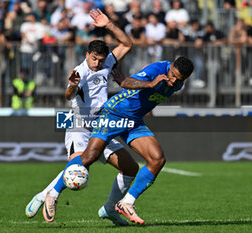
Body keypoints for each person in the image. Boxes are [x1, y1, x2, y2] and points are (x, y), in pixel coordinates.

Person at [26, 9, 139, 226]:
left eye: (100, 59)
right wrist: (73, 86)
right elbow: (68, 95)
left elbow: (127, 44)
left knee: (131, 168)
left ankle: (109, 209)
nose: (97, 63)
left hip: (103, 125)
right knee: (80, 164)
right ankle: (51, 195)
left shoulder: (106, 63)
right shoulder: (80, 72)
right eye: (94, 58)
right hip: (80, 124)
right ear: (86, 54)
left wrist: (109, 25)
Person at [53, 56, 194, 224]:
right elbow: (128, 83)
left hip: (134, 121)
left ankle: (126, 203)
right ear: (170, 66)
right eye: (172, 75)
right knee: (89, 157)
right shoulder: (156, 70)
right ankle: (51, 194)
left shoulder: (178, 84)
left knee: (157, 159)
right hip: (114, 113)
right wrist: (148, 83)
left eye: (178, 79)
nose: (172, 81)